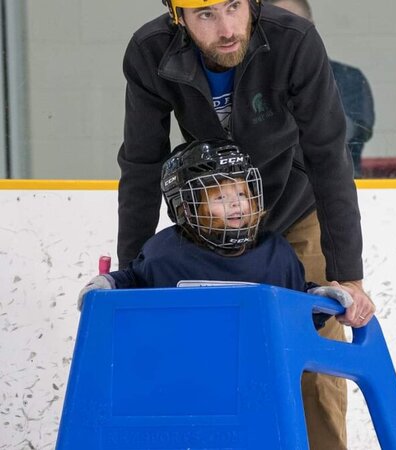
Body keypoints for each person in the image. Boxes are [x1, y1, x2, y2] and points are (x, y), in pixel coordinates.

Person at [117, 1, 376, 448]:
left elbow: (328, 155)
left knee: (314, 359)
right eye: (205, 15)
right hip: (211, 222)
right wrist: (133, 275)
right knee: (205, 356)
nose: (227, 28)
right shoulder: (149, 50)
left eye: (234, 6)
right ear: (178, 17)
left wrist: (346, 275)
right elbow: (142, 164)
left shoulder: (294, 40)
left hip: (296, 207)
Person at [80, 139, 354, 333]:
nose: (236, 204)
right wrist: (107, 285)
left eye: (242, 195)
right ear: (186, 208)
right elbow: (135, 283)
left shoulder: (276, 254)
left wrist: (319, 300)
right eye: (220, 197)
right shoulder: (165, 253)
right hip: (182, 379)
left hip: (258, 380)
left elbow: (295, 309)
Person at [267, 0, 376, 178]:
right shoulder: (248, 82)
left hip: (341, 189)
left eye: (293, 23)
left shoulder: (349, 78)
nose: (286, 34)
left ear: (311, 26)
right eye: (275, 26)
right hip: (270, 192)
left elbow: (339, 136)